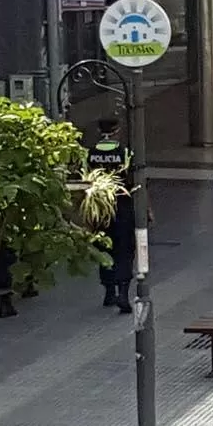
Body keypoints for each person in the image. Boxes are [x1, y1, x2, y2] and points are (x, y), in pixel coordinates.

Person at [85, 117, 134, 313]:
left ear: (99, 131)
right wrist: (147, 209)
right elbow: (135, 182)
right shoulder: (126, 153)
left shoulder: (89, 154)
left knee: (104, 249)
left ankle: (109, 292)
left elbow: (85, 183)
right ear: (117, 131)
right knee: (124, 251)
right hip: (122, 207)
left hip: (99, 208)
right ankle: (123, 292)